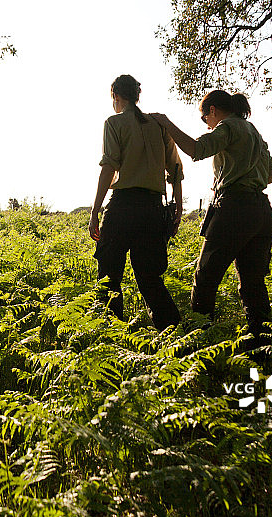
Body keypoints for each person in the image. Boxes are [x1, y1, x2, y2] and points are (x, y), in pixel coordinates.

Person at [150, 90, 272, 341]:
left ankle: (200, 343)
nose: (206, 124)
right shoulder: (253, 132)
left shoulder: (227, 127)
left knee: (205, 279)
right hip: (262, 211)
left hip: (233, 209)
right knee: (253, 284)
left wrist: (166, 123)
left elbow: (196, 149)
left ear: (213, 110)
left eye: (204, 118)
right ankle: (263, 347)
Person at [89, 74, 184, 330]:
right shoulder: (159, 126)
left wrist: (95, 211)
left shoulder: (114, 123)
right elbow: (176, 170)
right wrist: (178, 208)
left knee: (109, 276)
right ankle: (174, 335)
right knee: (150, 278)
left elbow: (109, 167)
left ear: (116, 96)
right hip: (153, 209)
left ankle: (112, 335)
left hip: (122, 206)